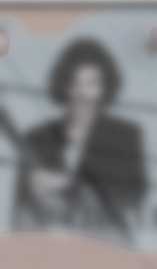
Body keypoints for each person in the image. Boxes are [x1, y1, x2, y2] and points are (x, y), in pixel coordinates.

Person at [15, 37, 149, 241]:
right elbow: (20, 218)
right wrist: (36, 194)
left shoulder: (126, 136)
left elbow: (134, 202)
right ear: (63, 86)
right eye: (74, 83)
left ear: (104, 88)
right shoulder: (35, 139)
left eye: (91, 84)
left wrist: (73, 188)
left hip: (106, 253)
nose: (81, 93)